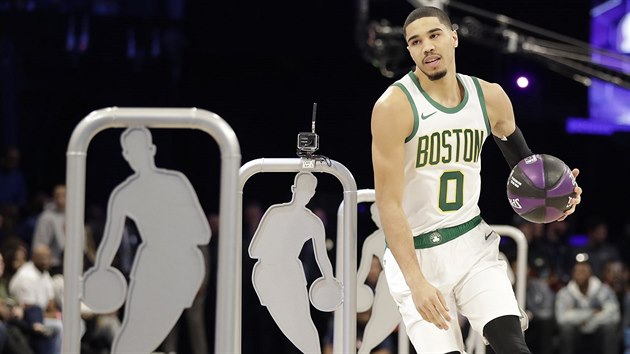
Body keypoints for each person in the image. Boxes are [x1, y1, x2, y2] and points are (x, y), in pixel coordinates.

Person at [370, 6, 582, 354]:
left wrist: (558, 199)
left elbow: (526, 170)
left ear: (453, 37)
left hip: (471, 245)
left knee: (513, 346)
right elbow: (388, 203)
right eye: (416, 41)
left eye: (434, 35)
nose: (427, 47)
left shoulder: (490, 97)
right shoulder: (394, 107)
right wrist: (416, 282)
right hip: (418, 254)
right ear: (409, 50)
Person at [84, 126, 211, 353]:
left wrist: (170, 232)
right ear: (126, 156)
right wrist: (100, 271)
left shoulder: (176, 183)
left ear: (151, 149)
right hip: (151, 264)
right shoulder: (124, 194)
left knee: (176, 323)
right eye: (131, 152)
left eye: (140, 150)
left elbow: (201, 232)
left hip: (181, 263)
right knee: (132, 338)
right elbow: (110, 241)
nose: (136, 157)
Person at [555, 260, 620, 354]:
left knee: (610, 327)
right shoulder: (565, 293)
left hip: (597, 334)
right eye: (577, 272)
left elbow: (614, 316)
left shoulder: (604, 290)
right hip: (576, 336)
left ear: (590, 274)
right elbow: (561, 318)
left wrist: (587, 321)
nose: (580, 275)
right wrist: (592, 313)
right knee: (566, 329)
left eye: (583, 272)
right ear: (573, 274)